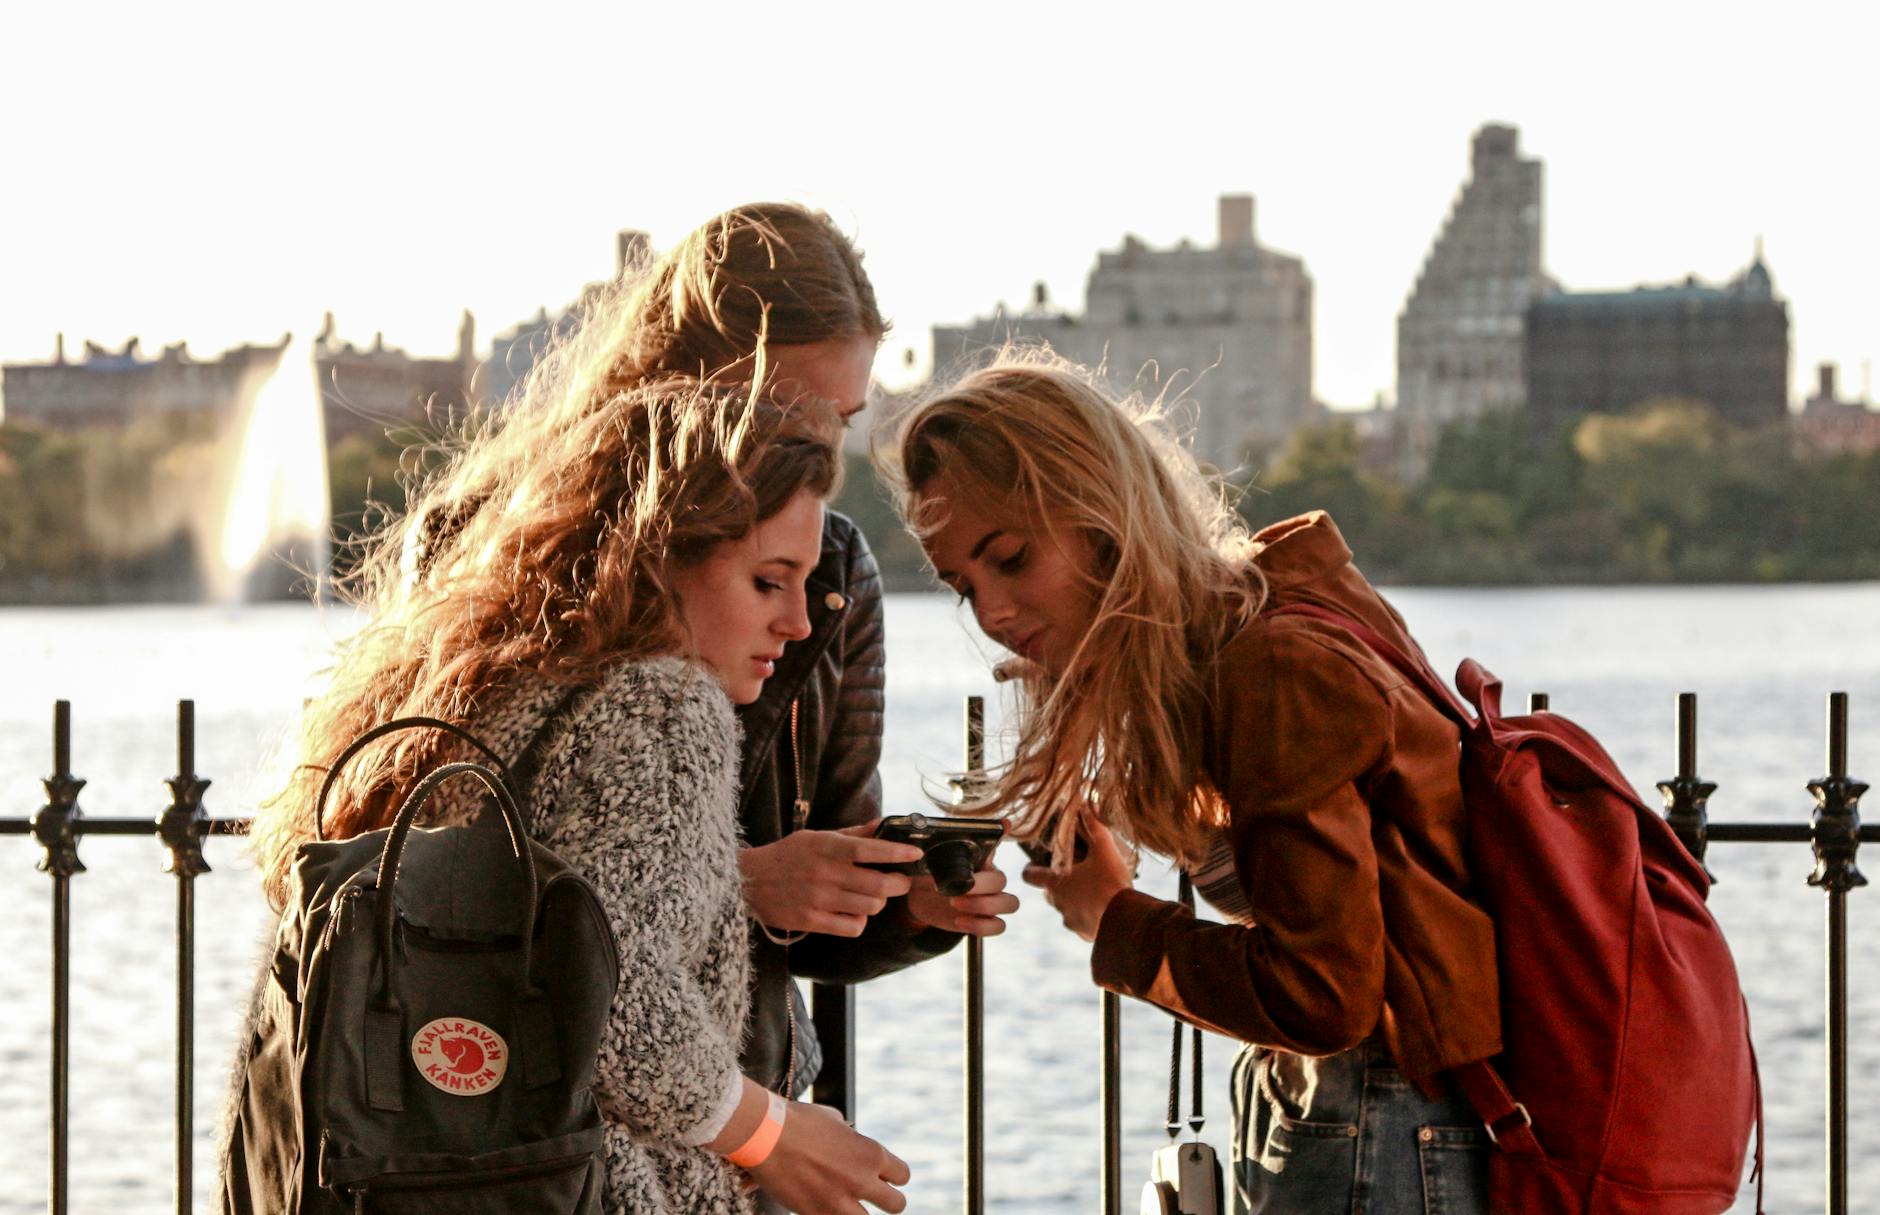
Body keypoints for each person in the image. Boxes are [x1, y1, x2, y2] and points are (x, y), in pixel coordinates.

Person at [243, 362, 909, 1213]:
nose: (800, 620)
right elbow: (616, 997)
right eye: (767, 581)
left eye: (806, 584)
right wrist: (774, 1133)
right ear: (660, 557)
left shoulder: (486, 682)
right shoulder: (666, 703)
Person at [882, 352, 1502, 1214]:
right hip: (1364, 1116)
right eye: (963, 588)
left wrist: (1114, 919)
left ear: (1103, 515)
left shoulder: (1276, 663)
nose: (991, 613)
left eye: (1013, 559)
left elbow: (1324, 996)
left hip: (1380, 1124)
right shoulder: (1253, 627)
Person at [563, 203, 1017, 1138]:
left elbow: (819, 895)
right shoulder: (513, 542)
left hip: (745, 1099)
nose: (818, 452)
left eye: (839, 421)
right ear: (682, 380)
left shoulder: (833, 571)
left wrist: (908, 903)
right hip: (530, 1114)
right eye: (787, 413)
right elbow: (452, 866)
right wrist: (736, 880)